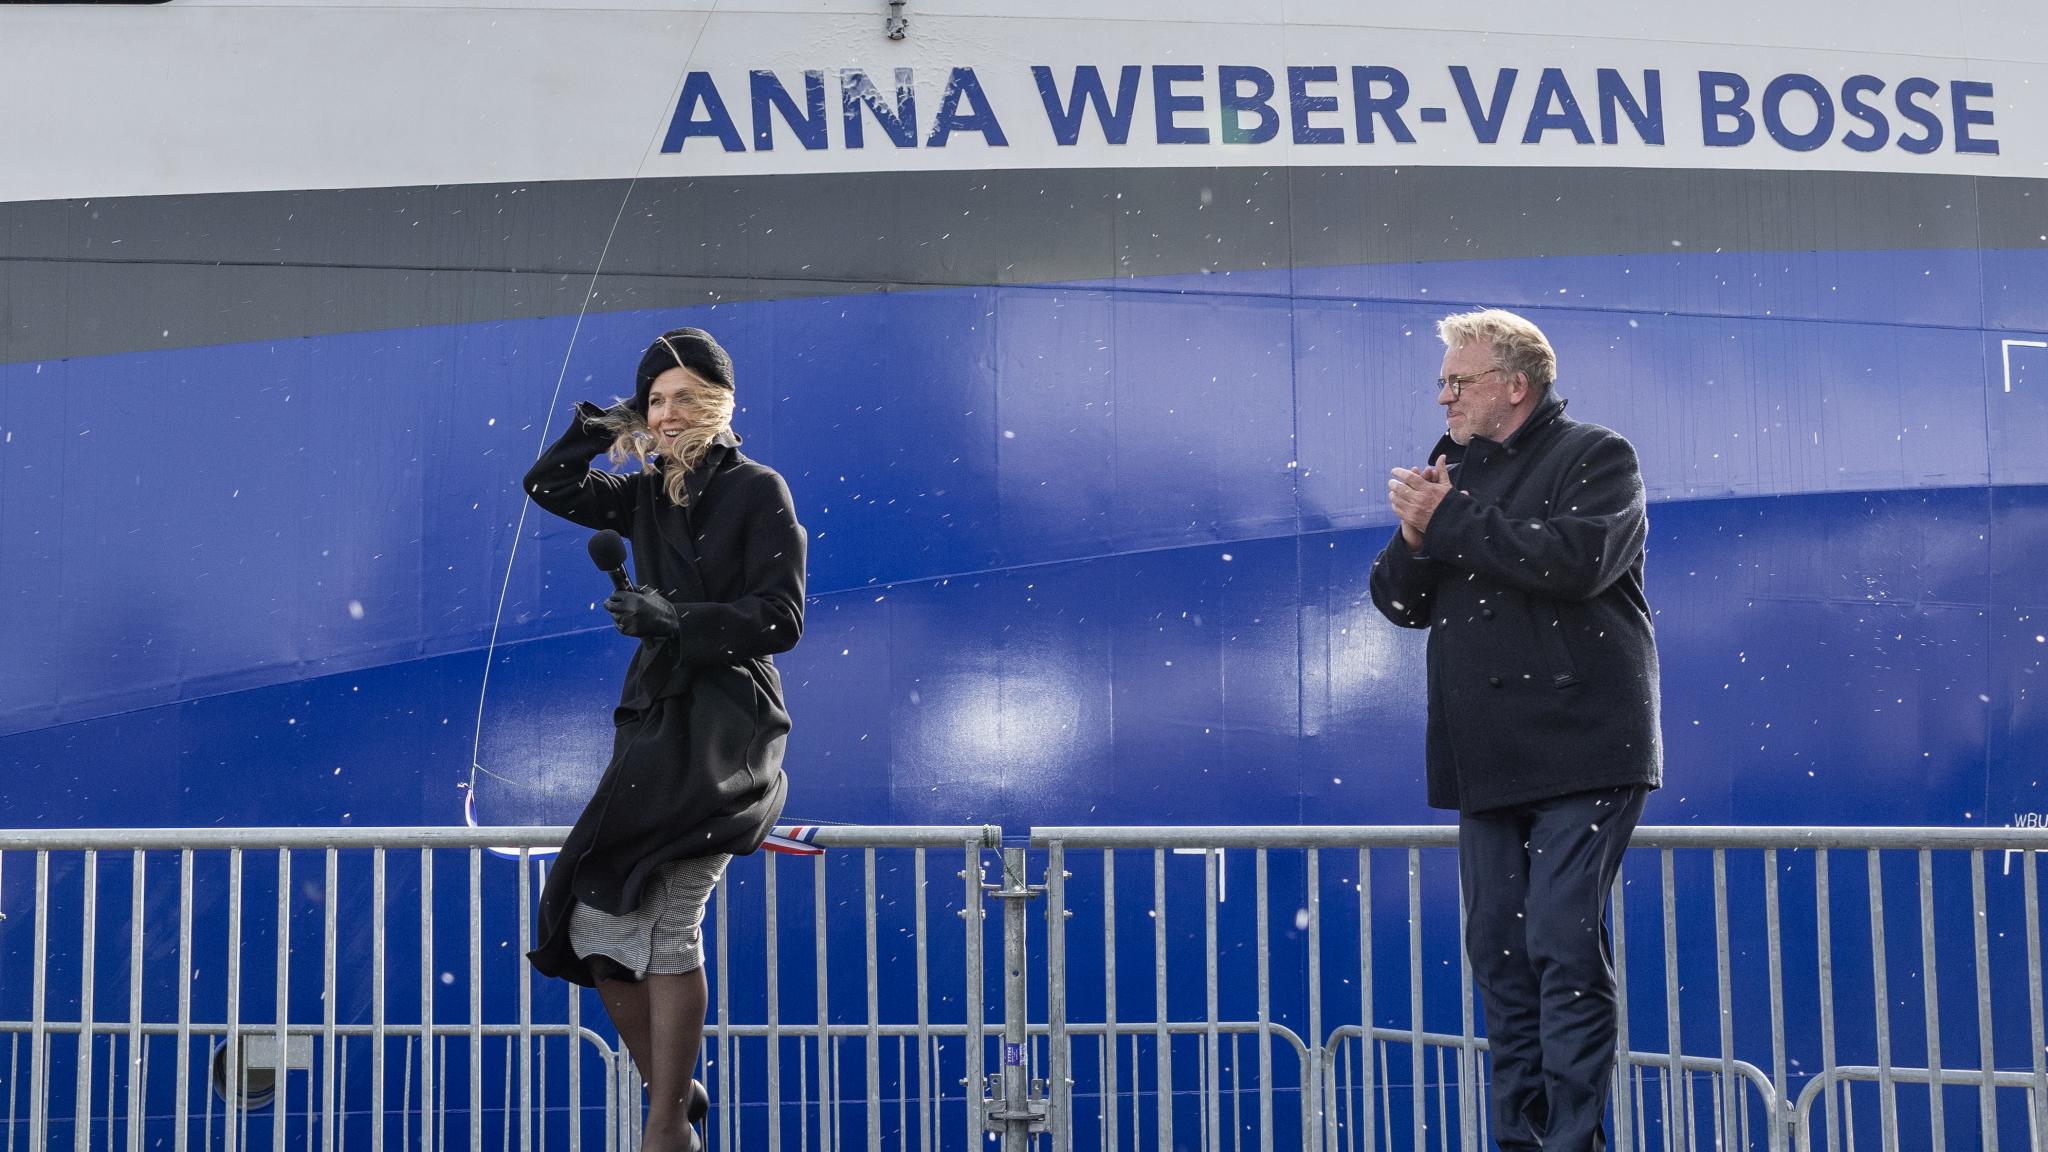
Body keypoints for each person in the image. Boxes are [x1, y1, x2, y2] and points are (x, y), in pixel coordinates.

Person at [1369, 308, 1661, 1152]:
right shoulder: (1450, 474)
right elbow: (1399, 601)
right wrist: (1414, 533)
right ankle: (1519, 1140)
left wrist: (1449, 519)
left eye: (1458, 382)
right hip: (1486, 754)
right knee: (1500, 955)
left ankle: (1573, 1142)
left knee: (1563, 950)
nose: (1444, 400)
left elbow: (1575, 561)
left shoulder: (1597, 456)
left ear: (1515, 386)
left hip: (1582, 745)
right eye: (1443, 384)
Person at [522, 327, 806, 1152]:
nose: (668, 412)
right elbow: (547, 483)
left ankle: (663, 1129)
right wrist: (602, 428)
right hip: (654, 721)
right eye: (655, 400)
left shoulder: (758, 489)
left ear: (718, 404)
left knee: (671, 916)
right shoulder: (641, 491)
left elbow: (781, 619)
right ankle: (673, 1096)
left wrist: (678, 619)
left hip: (726, 727)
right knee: (589, 917)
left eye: (684, 396)